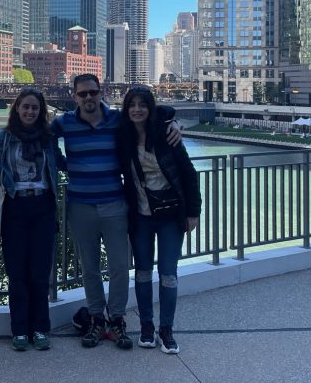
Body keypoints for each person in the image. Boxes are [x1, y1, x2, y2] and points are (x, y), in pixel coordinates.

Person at [52, 74, 181, 349]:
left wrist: (174, 121)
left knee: (121, 266)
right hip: (80, 206)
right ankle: (97, 318)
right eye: (82, 93)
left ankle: (117, 319)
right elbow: (39, 136)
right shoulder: (64, 123)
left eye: (93, 92)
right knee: (89, 268)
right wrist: (63, 164)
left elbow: (154, 112)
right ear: (74, 96)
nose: (88, 98)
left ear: (101, 93)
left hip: (115, 205)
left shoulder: (116, 120)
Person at [117, 86, 201, 354]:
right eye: (132, 105)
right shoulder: (123, 137)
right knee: (142, 273)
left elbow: (189, 174)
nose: (137, 109)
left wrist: (193, 212)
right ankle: (146, 326)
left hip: (169, 216)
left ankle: (167, 329)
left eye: (143, 104)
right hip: (140, 216)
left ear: (150, 109)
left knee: (168, 275)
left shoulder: (167, 136)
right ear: (126, 109)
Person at [0, 89, 62, 351]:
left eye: (35, 108)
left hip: (43, 206)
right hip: (14, 207)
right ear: (17, 109)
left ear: (41, 112)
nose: (30, 112)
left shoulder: (48, 139)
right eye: (26, 107)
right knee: (17, 272)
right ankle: (19, 330)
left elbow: (64, 163)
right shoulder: (2, 139)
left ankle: (40, 328)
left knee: (40, 273)